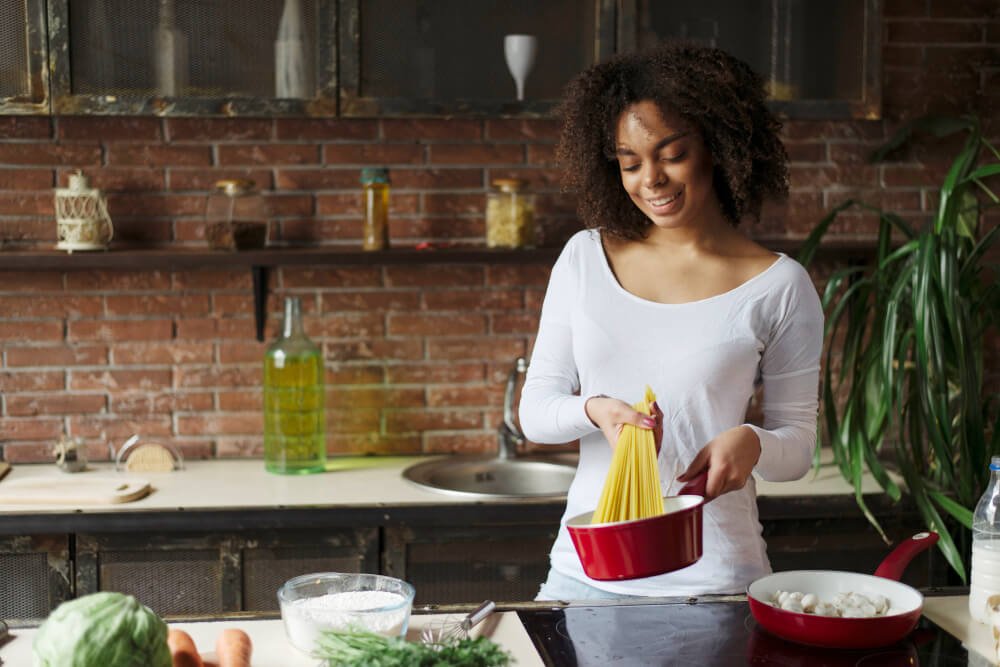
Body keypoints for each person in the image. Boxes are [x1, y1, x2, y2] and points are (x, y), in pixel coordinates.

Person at [518, 41, 824, 600]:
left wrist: (752, 442)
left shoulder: (780, 286)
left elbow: (798, 447)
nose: (650, 180)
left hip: (715, 582)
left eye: (672, 154)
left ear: (718, 145)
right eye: (629, 163)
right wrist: (598, 411)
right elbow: (535, 413)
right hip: (584, 577)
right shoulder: (585, 259)